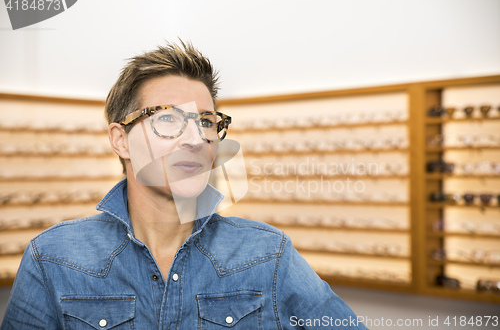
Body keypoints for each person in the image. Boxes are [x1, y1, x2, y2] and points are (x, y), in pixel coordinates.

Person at [1, 41, 367, 329]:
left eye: (206, 122)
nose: (195, 139)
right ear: (121, 140)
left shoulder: (268, 256)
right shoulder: (52, 260)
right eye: (169, 119)